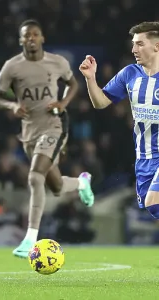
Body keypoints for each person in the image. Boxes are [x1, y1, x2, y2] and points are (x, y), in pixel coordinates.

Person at [0, 19, 94, 258]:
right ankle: (82, 183)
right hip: (29, 132)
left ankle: (30, 238)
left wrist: (63, 103)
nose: (31, 39)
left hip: (55, 125)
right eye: (26, 35)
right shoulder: (12, 67)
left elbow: (72, 84)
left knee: (35, 176)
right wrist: (12, 105)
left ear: (42, 38)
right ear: (21, 40)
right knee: (56, 187)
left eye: (35, 34)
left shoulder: (57, 62)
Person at [79, 21, 159, 220]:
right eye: (133, 44)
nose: (133, 49)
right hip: (145, 158)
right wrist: (90, 78)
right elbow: (100, 102)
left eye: (140, 44)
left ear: (156, 46)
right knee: (153, 207)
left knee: (153, 202)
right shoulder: (129, 74)